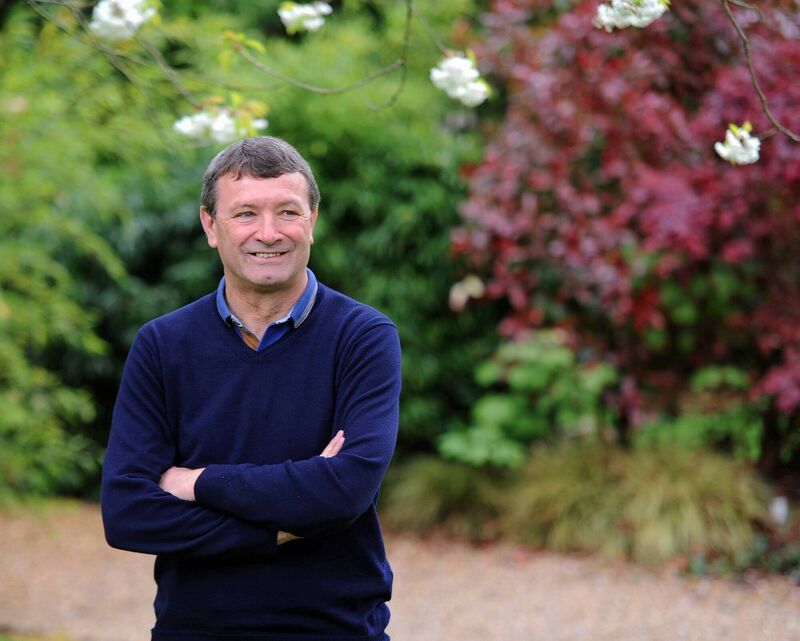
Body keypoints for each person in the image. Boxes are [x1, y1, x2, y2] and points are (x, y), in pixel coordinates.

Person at [101, 136, 402, 641]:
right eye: (245, 214)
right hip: (193, 631)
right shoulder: (163, 345)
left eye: (287, 211)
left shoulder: (363, 337)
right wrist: (283, 526)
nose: (268, 233)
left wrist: (197, 483)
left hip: (334, 630)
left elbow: (346, 489)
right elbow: (129, 514)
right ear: (210, 227)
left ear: (313, 221)